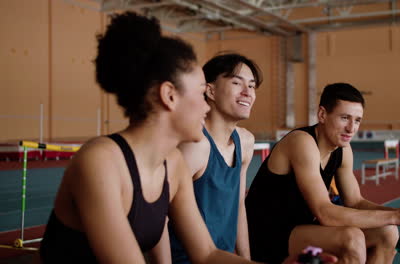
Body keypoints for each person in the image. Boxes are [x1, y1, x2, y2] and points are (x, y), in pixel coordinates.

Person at [37, 11, 261, 264]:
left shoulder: (174, 164)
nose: (207, 107)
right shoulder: (100, 161)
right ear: (170, 96)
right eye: (201, 94)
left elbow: (207, 254)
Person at [245, 83, 400, 264]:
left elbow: (355, 202)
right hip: (265, 234)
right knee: (351, 238)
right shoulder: (301, 142)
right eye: (344, 118)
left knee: (387, 231)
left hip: (301, 229)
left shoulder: (343, 150)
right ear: (322, 114)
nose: (351, 128)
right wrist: (397, 216)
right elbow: (324, 213)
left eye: (357, 120)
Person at [169, 53, 262, 263]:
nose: (248, 92)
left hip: (223, 258)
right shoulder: (195, 146)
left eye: (252, 86)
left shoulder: (245, 142)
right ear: (210, 90)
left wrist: (246, 259)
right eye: (237, 83)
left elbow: (238, 205)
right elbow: (160, 220)